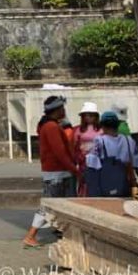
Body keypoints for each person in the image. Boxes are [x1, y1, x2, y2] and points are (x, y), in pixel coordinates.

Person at [22, 96, 81, 249]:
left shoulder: (48, 126)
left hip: (56, 172)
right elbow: (60, 153)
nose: (64, 111)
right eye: (62, 108)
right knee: (51, 206)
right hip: (58, 173)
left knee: (57, 205)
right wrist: (75, 170)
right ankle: (31, 235)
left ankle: (63, 234)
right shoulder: (52, 127)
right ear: (57, 110)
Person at [85, 111, 138, 198]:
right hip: (126, 186)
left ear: (103, 126)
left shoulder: (100, 141)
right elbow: (136, 165)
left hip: (106, 188)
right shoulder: (129, 140)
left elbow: (92, 167)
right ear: (117, 125)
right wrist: (136, 192)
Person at [73, 102, 101, 196]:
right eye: (86, 115)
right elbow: (74, 147)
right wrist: (78, 158)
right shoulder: (78, 129)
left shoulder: (101, 129)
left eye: (91, 115)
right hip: (83, 163)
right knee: (84, 184)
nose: (88, 117)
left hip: (98, 162)